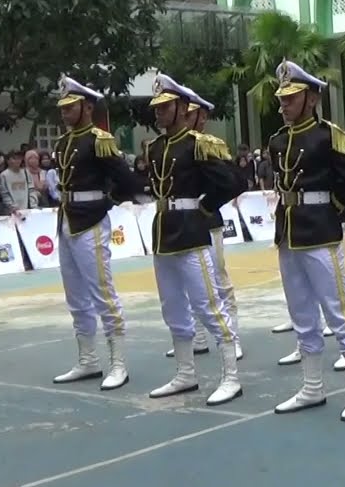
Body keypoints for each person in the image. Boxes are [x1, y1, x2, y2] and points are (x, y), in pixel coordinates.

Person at [266, 61, 345, 421]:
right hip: (289, 232)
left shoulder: (328, 135)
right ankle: (312, 386)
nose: (283, 105)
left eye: (291, 98)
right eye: (281, 98)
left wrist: (336, 208)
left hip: (320, 231)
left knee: (339, 310)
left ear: (311, 99)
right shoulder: (277, 140)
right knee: (301, 314)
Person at [144, 73, 244, 406]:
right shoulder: (156, 147)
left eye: (165, 107)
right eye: (157, 108)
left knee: (208, 305)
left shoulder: (198, 144)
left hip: (191, 233)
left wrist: (204, 205)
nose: (158, 113)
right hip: (163, 233)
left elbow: (233, 181)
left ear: (183, 108)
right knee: (172, 307)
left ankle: (231, 376)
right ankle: (185, 373)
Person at [48, 77, 145, 391]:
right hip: (66, 221)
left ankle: (119, 364)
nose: (64, 113)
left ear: (86, 107)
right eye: (62, 107)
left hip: (90, 221)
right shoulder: (63, 143)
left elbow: (127, 180)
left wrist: (109, 202)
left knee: (104, 294)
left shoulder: (98, 139)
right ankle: (88, 360)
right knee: (75, 297)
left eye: (70, 107)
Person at [160, 94, 246, 363]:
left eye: (190, 114)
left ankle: (234, 336)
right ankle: (194, 337)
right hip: (182, 223)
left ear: (202, 117)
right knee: (185, 286)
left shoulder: (210, 145)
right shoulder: (172, 147)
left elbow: (234, 180)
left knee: (219, 281)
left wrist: (206, 205)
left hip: (206, 220)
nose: (185, 119)